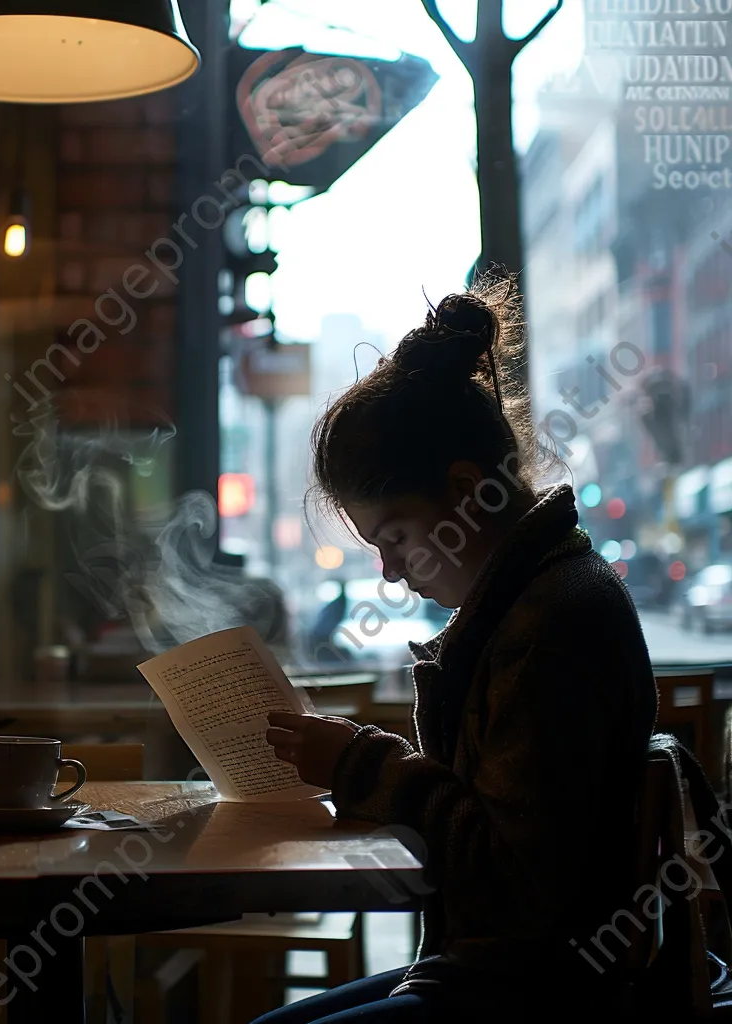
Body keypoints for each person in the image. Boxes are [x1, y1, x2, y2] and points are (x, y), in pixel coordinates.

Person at [256, 276, 659, 1022]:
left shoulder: (548, 630)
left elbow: (511, 880)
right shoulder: (537, 601)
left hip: (536, 994)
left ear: (467, 490)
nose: (389, 568)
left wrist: (356, 764)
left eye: (396, 538)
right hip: (498, 974)